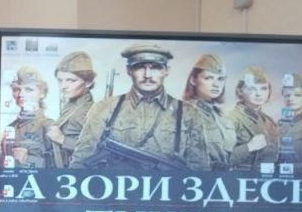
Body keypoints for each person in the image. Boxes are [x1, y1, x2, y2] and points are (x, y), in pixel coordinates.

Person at [70, 41, 209, 170]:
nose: (147, 75)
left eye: (155, 67)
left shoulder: (188, 113)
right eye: (140, 67)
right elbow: (80, 162)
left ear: (166, 71)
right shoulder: (104, 108)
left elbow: (201, 170)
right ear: (129, 70)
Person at [181, 53, 236, 169]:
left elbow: (229, 156)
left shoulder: (222, 117)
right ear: (193, 80)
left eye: (220, 79)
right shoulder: (183, 113)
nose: (216, 84)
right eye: (208, 78)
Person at [46, 51, 96, 166]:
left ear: (88, 82)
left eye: (71, 80)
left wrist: (62, 139)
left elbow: (97, 150)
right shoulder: (71, 105)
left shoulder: (88, 111)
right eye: (60, 80)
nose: (63, 86)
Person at [1, 66, 56, 168]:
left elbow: (60, 167)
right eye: (16, 89)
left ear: (42, 93)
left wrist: (28, 159)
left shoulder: (49, 126)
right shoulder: (10, 128)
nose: (21, 95)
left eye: (28, 89)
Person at [228, 66, 280, 171]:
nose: (258, 94)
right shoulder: (231, 119)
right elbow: (219, 159)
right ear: (240, 91)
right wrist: (249, 147)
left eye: (263, 88)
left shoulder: (270, 122)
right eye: (252, 88)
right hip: (242, 178)